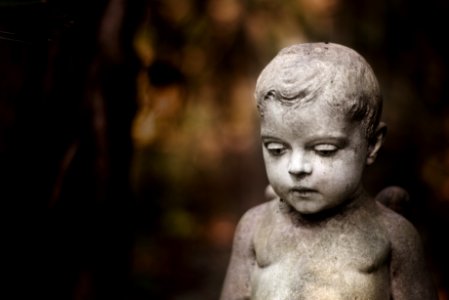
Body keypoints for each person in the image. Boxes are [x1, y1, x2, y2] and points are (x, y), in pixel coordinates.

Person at [219, 42, 437, 300]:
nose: (296, 167)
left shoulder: (393, 237)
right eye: (277, 149)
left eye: (324, 150)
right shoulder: (255, 228)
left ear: (372, 145)